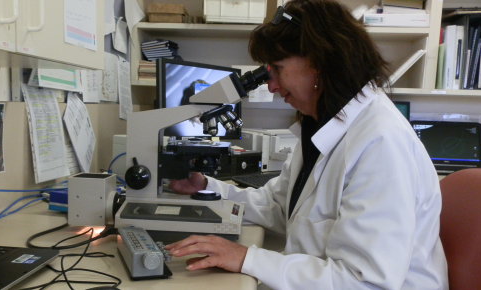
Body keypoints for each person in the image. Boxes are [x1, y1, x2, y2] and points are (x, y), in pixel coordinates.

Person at [164, 0, 448, 288]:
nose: (271, 85)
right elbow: (278, 206)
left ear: (320, 61)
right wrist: (206, 188)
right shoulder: (322, 124)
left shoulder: (381, 143)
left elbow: (366, 281)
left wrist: (247, 258)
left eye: (277, 68)